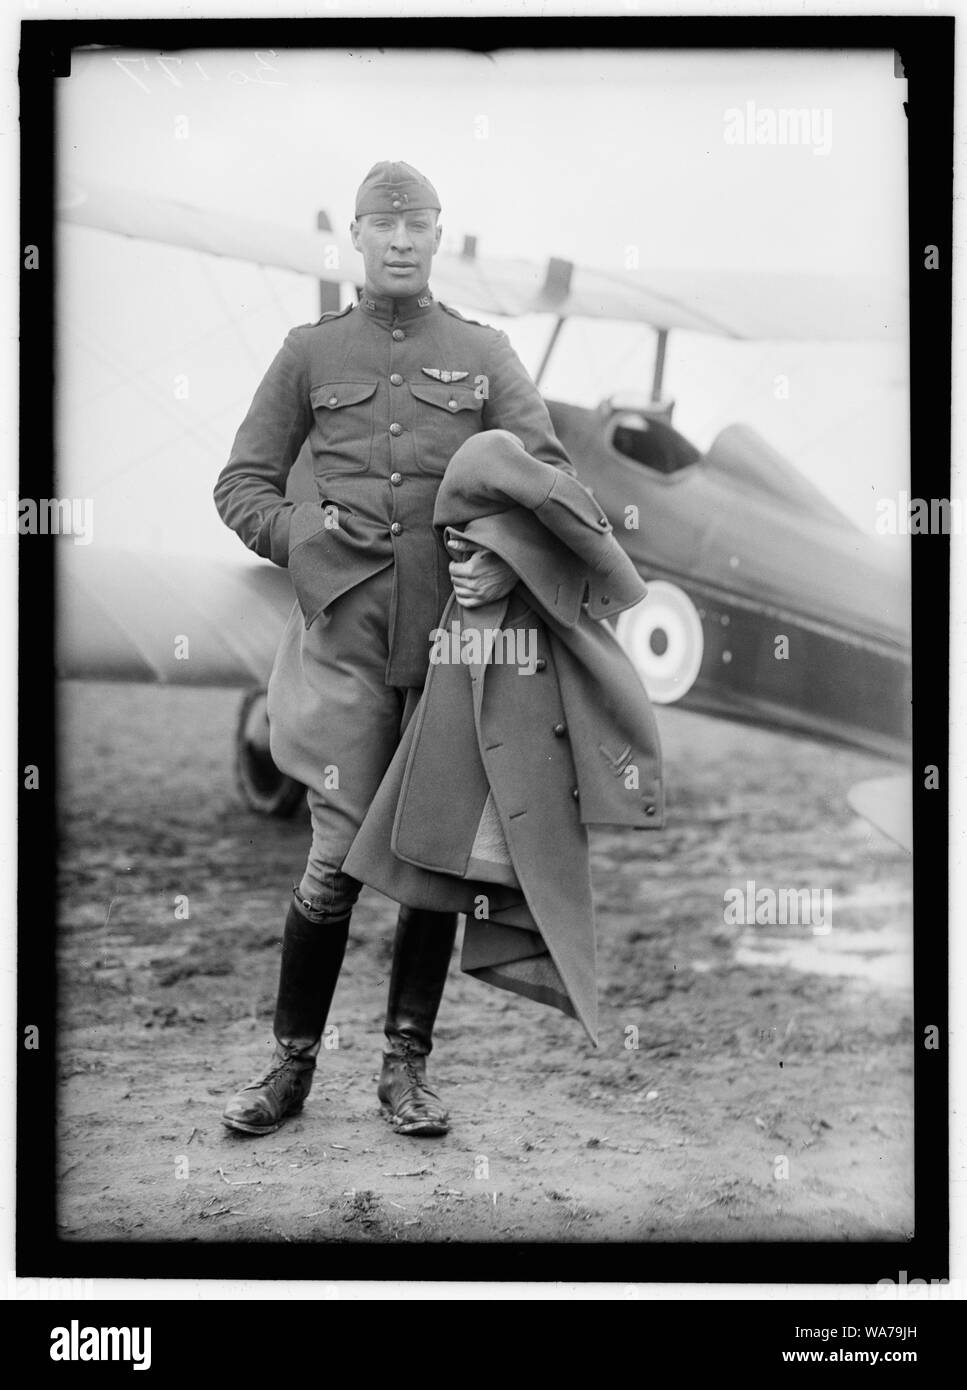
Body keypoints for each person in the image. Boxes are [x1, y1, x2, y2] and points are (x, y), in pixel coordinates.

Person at [213, 160, 576, 1139]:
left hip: (452, 653)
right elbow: (240, 484)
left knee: (432, 860)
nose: (404, 240)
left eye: (420, 225)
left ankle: (403, 1071)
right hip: (341, 647)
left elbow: (551, 484)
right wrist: (300, 536)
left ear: (438, 237)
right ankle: (290, 1067)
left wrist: (501, 565)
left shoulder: (485, 351)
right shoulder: (305, 354)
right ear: (361, 240)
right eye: (386, 224)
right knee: (333, 858)